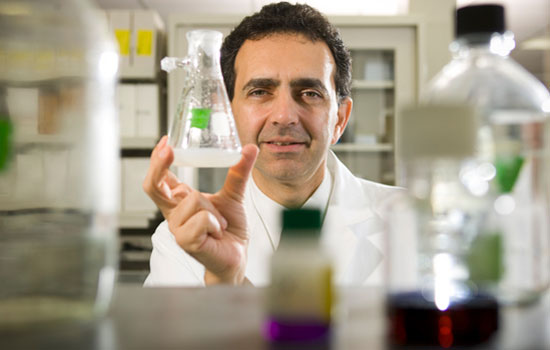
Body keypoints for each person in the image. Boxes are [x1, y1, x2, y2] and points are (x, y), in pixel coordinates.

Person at [143, 2, 400, 287]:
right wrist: (225, 279)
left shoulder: (412, 220)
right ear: (228, 117)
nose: (284, 116)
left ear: (340, 119)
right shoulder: (182, 238)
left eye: (310, 93)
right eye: (260, 91)